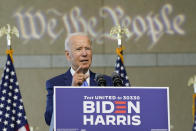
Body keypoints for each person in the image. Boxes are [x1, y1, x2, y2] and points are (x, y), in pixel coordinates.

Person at [44, 32, 113, 125]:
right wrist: (72, 91)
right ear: (68, 55)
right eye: (79, 49)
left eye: (87, 48)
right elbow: (50, 119)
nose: (84, 53)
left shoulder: (107, 82)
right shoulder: (55, 84)